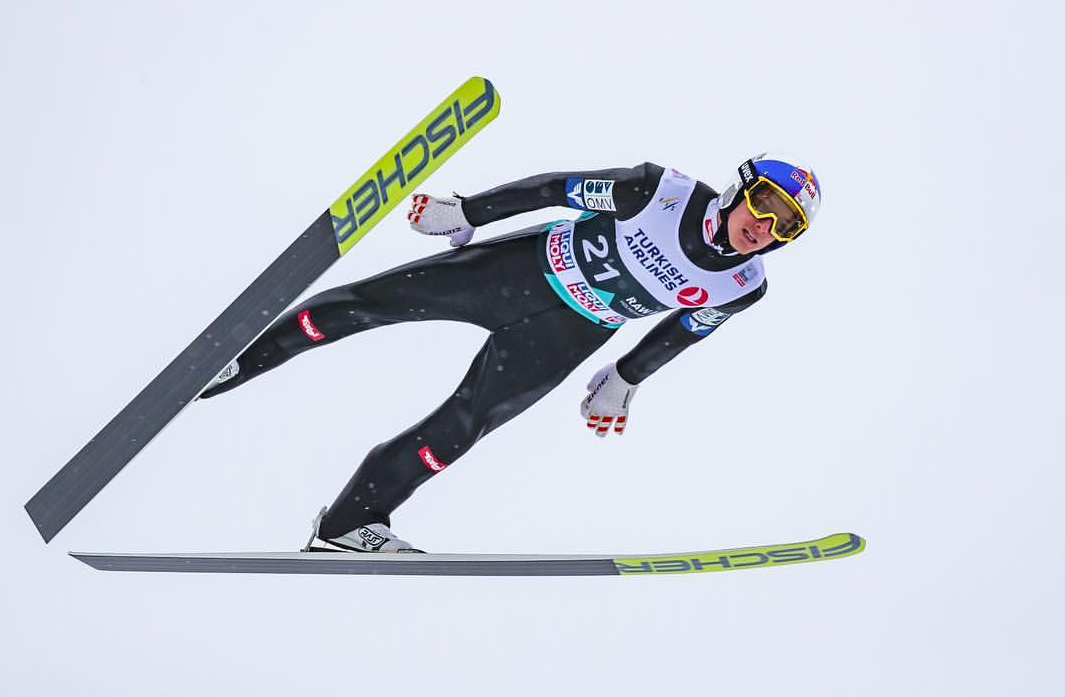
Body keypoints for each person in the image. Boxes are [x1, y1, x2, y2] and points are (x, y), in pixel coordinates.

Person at [199, 153, 823, 553]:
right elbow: (557, 189)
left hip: (566, 335)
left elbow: (685, 330)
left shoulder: (743, 286)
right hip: (520, 271)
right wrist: (468, 211)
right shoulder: (662, 193)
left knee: (459, 431)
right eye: (765, 203)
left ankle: (347, 525)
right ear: (743, 188)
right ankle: (224, 366)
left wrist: (628, 378)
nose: (763, 226)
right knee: (367, 305)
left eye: (783, 226)